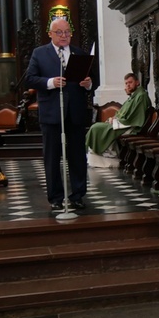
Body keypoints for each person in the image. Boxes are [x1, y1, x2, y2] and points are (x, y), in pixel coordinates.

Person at [26, 19, 93, 211]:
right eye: (59, 32)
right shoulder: (40, 53)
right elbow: (29, 78)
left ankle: (78, 194)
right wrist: (50, 82)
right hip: (51, 113)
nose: (64, 36)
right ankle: (55, 197)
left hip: (75, 113)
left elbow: (91, 81)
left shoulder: (79, 53)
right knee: (52, 157)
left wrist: (88, 84)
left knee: (78, 156)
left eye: (67, 32)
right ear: (50, 34)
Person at [86, 73, 151, 158]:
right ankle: (99, 153)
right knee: (96, 127)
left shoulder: (141, 96)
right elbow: (122, 112)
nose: (128, 85)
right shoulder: (134, 95)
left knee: (96, 128)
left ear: (137, 82)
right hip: (123, 124)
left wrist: (116, 121)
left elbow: (134, 117)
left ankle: (104, 154)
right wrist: (114, 118)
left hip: (131, 127)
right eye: (126, 83)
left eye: (130, 82)